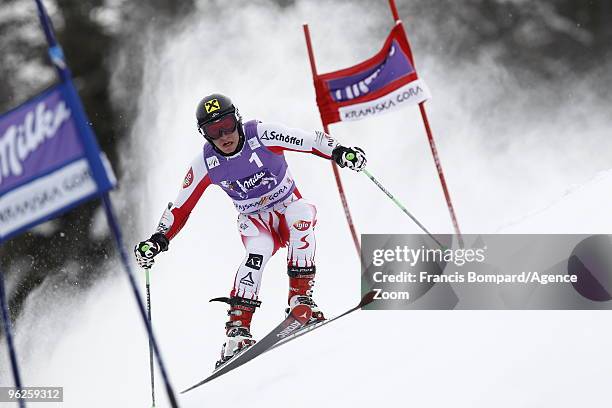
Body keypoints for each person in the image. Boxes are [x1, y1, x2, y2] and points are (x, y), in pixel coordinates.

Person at [134, 93, 366, 368]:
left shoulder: (262, 134)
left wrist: (342, 152)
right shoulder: (206, 163)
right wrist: (157, 239)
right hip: (255, 220)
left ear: (238, 119)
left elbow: (309, 140)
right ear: (204, 134)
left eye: (228, 124)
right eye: (213, 130)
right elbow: (180, 208)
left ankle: (300, 298)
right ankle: (237, 331)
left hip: (287, 207)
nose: (223, 135)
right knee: (258, 251)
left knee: (302, 214)